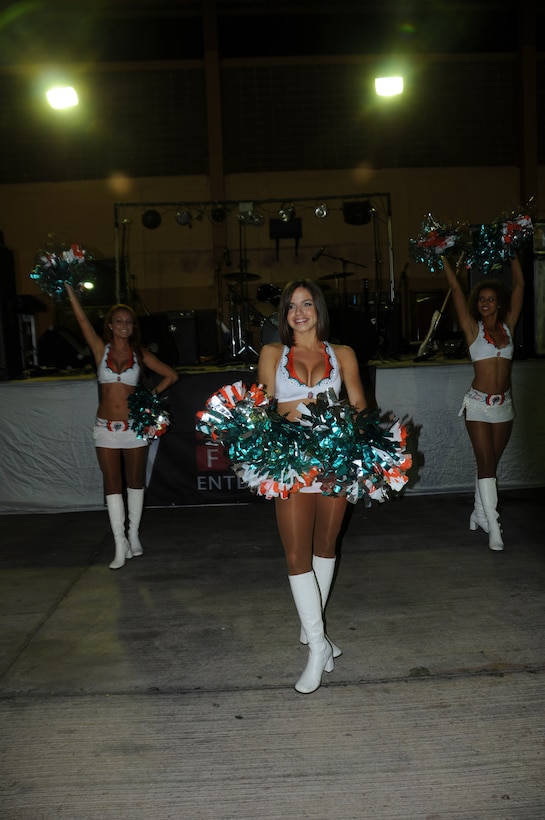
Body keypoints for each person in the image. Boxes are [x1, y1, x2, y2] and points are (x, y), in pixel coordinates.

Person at [257, 279, 368, 694]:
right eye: (290, 306)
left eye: (306, 304)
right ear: (284, 315)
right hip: (291, 460)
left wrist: (347, 429)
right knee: (294, 551)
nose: (298, 312)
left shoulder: (342, 354)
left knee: (326, 545)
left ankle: (313, 629)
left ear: (319, 309)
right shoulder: (272, 353)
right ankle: (318, 645)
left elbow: (358, 403)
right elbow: (264, 405)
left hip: (335, 456)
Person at [64, 283, 179, 569]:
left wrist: (147, 397)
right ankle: (119, 543)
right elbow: (80, 320)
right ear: (110, 325)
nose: (124, 325)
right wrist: (69, 288)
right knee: (112, 485)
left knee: (135, 482)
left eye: (129, 321)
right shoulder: (98, 349)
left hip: (135, 428)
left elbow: (171, 375)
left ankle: (133, 534)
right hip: (105, 428)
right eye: (119, 321)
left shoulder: (140, 354)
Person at [442, 253, 525, 551]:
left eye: (490, 299)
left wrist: (512, 249)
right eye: (481, 299)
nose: (485, 303)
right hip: (477, 405)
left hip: (504, 405)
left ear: (498, 302)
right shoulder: (473, 329)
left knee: (490, 463)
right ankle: (494, 525)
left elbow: (520, 284)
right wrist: (443, 257)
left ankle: (478, 513)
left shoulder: (509, 326)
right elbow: (455, 289)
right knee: (486, 464)